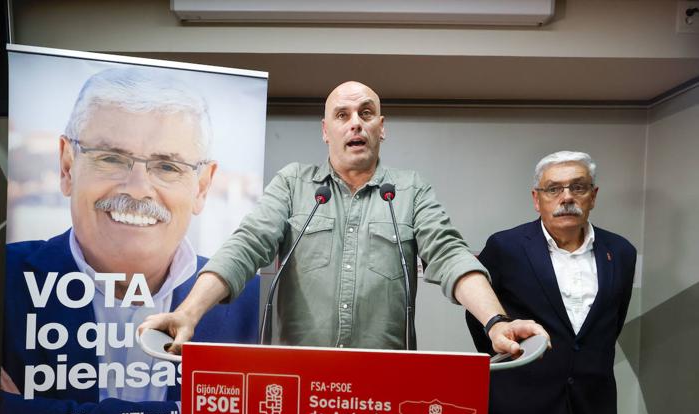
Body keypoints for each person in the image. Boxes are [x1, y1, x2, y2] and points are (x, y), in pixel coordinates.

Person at [0, 67, 259, 414]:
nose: (138, 189)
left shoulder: (250, 302)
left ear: (201, 186)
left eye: (167, 166)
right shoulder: (0, 279)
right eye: (111, 157)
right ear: (66, 166)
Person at [141, 80, 547, 356]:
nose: (355, 122)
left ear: (380, 128)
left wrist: (496, 322)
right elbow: (245, 246)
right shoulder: (294, 184)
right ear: (326, 130)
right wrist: (188, 313)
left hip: (383, 387)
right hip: (298, 383)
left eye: (366, 113)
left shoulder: (409, 190)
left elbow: (451, 255)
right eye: (342, 114)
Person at [465, 151, 637, 414]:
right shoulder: (506, 247)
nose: (567, 197)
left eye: (578, 187)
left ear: (593, 195)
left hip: (591, 407)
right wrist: (514, 362)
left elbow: (612, 322)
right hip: (518, 406)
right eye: (554, 188)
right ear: (536, 197)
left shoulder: (621, 252)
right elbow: (480, 319)